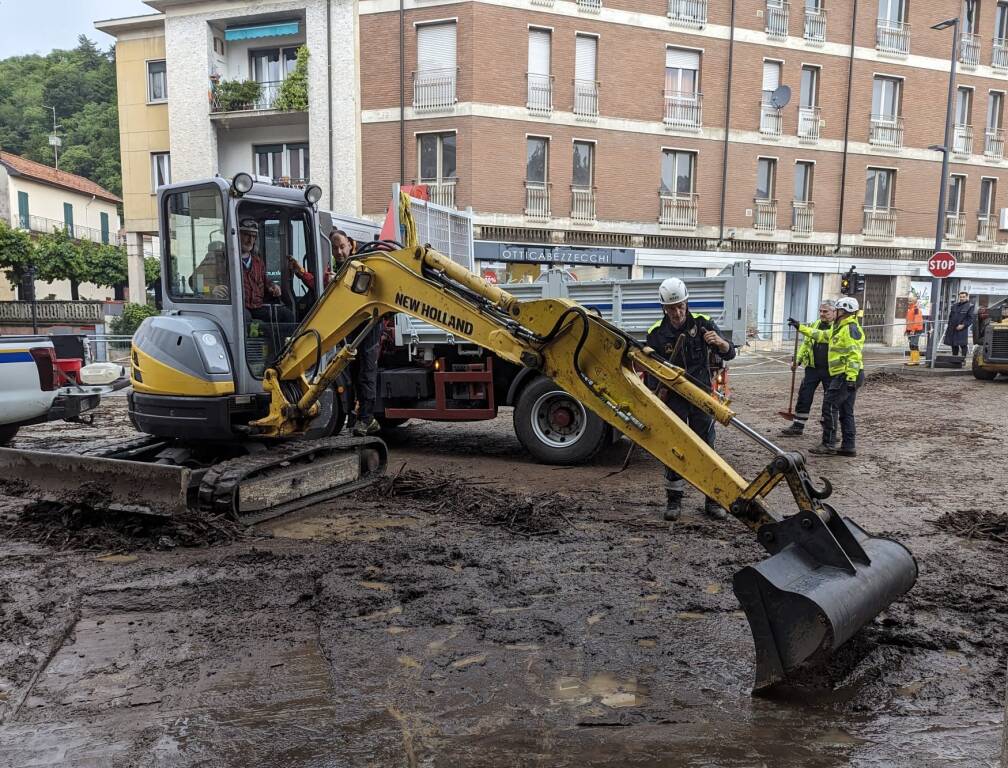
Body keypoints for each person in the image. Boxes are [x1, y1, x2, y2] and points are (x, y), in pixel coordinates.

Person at [647, 277, 736, 521]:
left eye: (681, 306)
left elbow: (731, 352)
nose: (677, 312)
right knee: (675, 447)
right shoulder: (656, 333)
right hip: (673, 397)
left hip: (700, 395)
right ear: (664, 308)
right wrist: (656, 392)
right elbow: (651, 369)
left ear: (687, 303)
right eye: (671, 308)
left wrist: (721, 343)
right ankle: (674, 501)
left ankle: (713, 499)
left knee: (707, 447)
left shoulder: (703, 324)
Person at [789, 296, 864, 457]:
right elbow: (820, 335)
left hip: (846, 375)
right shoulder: (840, 327)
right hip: (845, 375)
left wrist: (850, 378)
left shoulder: (849, 329)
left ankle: (829, 443)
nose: (833, 313)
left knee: (830, 407)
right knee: (845, 410)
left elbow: (854, 355)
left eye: (835, 310)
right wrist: (800, 327)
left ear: (843, 311)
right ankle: (848, 446)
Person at [328, 228, 380, 436]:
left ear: (350, 244)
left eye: (341, 247)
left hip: (368, 324)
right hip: (350, 325)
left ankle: (366, 419)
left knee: (366, 372)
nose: (339, 251)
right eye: (335, 248)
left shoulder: (362, 261)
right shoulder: (336, 266)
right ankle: (354, 417)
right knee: (349, 373)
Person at [779, 300, 835, 438]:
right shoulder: (816, 324)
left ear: (834, 312)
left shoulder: (837, 327)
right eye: (820, 311)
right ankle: (798, 425)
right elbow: (806, 344)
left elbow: (822, 337)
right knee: (804, 395)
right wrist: (798, 360)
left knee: (830, 400)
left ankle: (829, 430)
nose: (822, 314)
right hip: (812, 368)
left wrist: (801, 327)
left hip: (831, 369)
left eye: (825, 311)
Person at [238, 218, 295, 324]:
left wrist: (273, 286)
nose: (250, 240)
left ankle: (287, 341)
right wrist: (215, 289)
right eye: (247, 235)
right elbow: (201, 278)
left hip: (257, 307)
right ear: (237, 235)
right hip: (238, 307)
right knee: (244, 319)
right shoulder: (225, 259)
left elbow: (265, 281)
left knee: (287, 315)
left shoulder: (258, 262)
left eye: (253, 236)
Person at [943, 290, 975, 357]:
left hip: (962, 328)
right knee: (954, 344)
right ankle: (955, 358)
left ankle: (963, 359)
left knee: (963, 344)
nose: (962, 298)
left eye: (963, 297)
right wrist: (948, 325)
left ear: (967, 297)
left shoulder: (970, 306)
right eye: (960, 297)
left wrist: (963, 325)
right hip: (952, 328)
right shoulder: (955, 305)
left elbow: (970, 318)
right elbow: (951, 316)